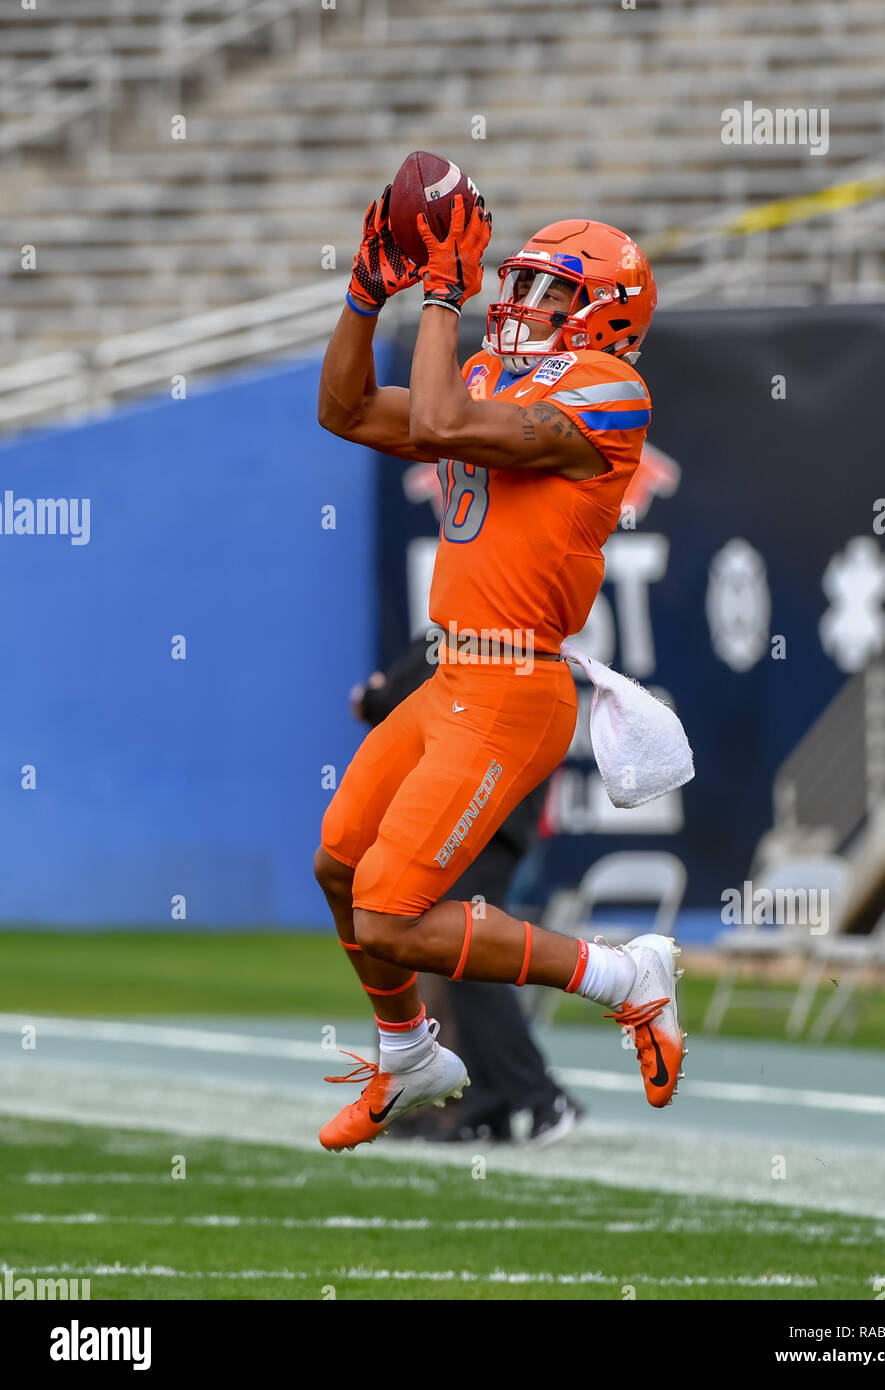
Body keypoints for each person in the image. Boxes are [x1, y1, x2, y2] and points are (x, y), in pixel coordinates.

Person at [313, 186, 686, 1152]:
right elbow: (343, 407)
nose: (517, 302)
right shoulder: (494, 371)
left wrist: (440, 290)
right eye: (515, 282)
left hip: (514, 689)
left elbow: (435, 424)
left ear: (603, 312)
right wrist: (366, 290)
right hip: (450, 676)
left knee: (393, 917)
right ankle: (409, 1054)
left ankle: (622, 975)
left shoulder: (608, 390)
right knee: (339, 864)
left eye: (545, 292)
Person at [352, 636, 584, 1145]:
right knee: (456, 958)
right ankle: (485, 1107)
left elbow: (392, 700)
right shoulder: (523, 636)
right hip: (502, 816)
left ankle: (540, 1096)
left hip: (477, 818)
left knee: (462, 958)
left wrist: (369, 699)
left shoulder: (460, 634)